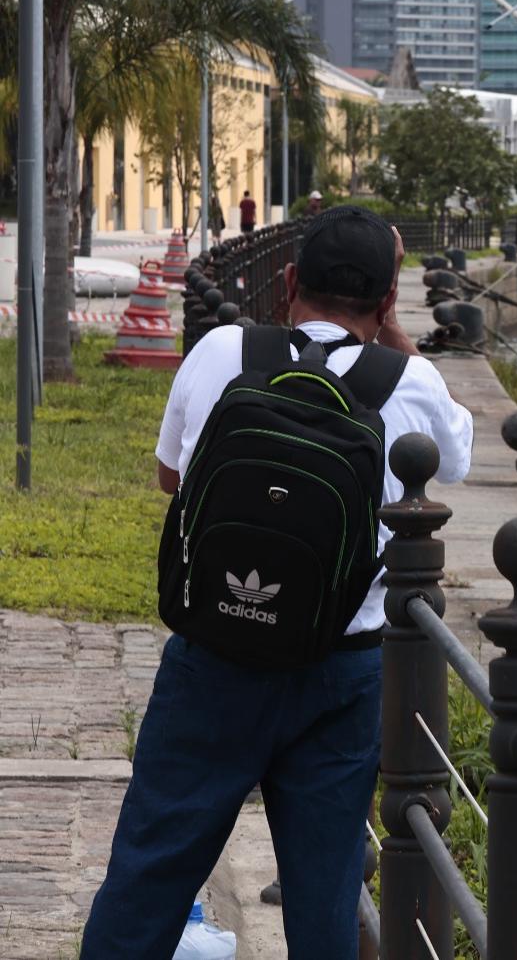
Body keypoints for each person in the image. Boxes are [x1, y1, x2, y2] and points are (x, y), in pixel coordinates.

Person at [79, 206, 474, 960]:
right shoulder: (412, 381)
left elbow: (172, 477)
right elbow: (454, 457)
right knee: (325, 893)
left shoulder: (226, 348)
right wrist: (394, 342)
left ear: (289, 279)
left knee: (149, 874)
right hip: (343, 669)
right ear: (389, 300)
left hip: (216, 652)